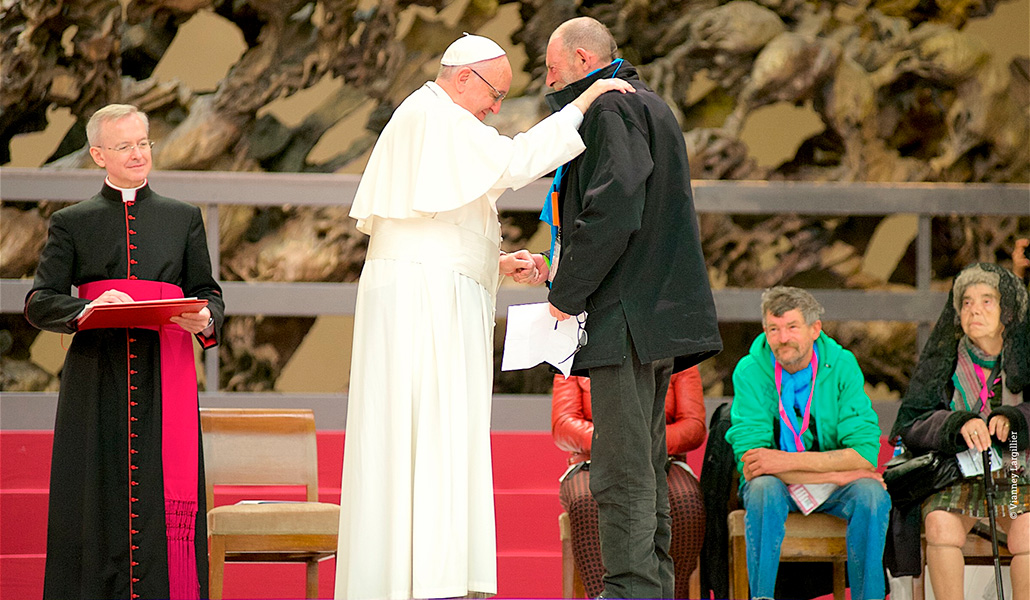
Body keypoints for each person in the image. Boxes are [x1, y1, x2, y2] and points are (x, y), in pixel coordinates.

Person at [335, 34, 634, 600]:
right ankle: (419, 580)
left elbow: (435, 227)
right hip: (422, 301)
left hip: (429, 289)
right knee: (422, 433)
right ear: (464, 76)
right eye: (495, 94)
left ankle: (430, 576)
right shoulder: (436, 115)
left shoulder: (438, 118)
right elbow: (516, 162)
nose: (497, 108)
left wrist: (493, 265)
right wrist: (584, 101)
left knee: (436, 432)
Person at [541, 17, 723, 599]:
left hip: (623, 316)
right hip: (655, 315)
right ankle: (652, 587)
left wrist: (565, 294)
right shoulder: (653, 105)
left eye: (552, 69)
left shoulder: (608, 109)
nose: (548, 83)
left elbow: (614, 209)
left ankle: (628, 590)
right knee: (644, 465)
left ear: (582, 59)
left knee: (621, 469)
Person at [24, 104, 224, 600]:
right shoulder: (71, 222)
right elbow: (39, 301)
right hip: (97, 375)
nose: (138, 154)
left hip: (164, 374)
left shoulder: (183, 218)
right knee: (94, 493)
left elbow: (207, 292)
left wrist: (206, 319)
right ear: (98, 155)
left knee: (159, 489)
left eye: (143, 143)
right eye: (123, 146)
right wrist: (86, 307)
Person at [725, 286, 890, 600]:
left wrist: (783, 462)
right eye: (773, 329)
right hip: (778, 485)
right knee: (761, 489)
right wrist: (840, 472)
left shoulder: (842, 365)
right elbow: (753, 464)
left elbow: (864, 454)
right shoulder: (750, 371)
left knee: (872, 495)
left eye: (792, 327)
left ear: (815, 329)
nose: (782, 338)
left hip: (826, 486)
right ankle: (761, 597)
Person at [892, 263, 1029, 600]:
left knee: (1027, 533)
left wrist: (1016, 418)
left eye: (986, 301)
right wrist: (957, 423)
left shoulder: (1024, 355)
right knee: (940, 525)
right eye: (966, 302)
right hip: (958, 472)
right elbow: (913, 422)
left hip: (1016, 468)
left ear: (1008, 311)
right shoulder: (945, 358)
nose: (974, 310)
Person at [552, 368, 707, 599]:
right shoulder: (575, 350)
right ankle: (602, 594)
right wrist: (619, 441)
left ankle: (672, 594)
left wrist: (643, 443)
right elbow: (563, 424)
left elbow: (694, 426)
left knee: (687, 504)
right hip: (592, 459)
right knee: (586, 502)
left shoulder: (675, 352)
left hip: (662, 457)